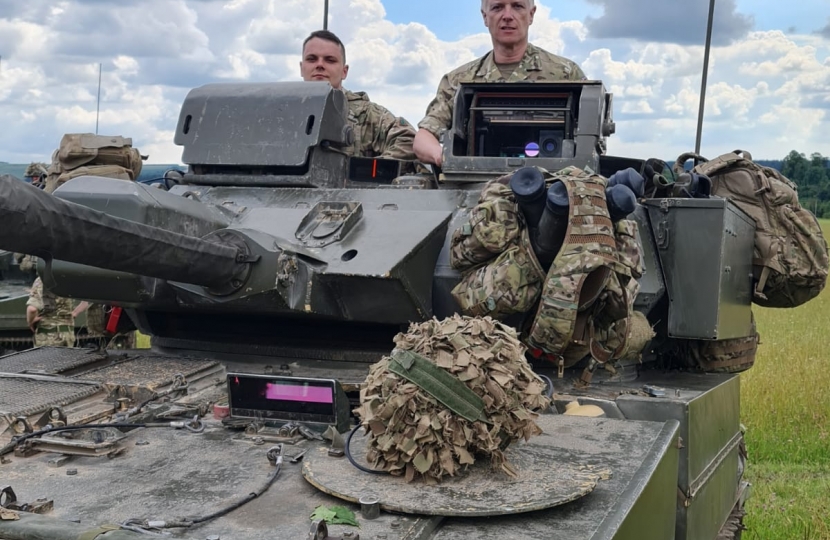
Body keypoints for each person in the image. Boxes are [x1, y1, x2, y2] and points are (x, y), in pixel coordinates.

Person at [414, 0, 587, 166]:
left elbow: (590, 141)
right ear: (485, 16)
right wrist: (444, 158)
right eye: (497, 7)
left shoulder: (565, 74)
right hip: (474, 183)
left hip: (548, 185)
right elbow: (424, 137)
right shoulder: (459, 81)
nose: (507, 15)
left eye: (517, 6)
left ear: (531, 14)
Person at [300, 30, 417, 161]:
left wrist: (366, 171)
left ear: (344, 71)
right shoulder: (283, 112)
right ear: (301, 67)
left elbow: (409, 141)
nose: (320, 65)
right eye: (312, 59)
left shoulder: (367, 115)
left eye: (330, 60)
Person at [26, 277, 75, 347]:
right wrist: (76, 312)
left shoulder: (41, 280)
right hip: (68, 333)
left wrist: (30, 322)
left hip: (48, 335)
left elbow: (32, 309)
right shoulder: (68, 278)